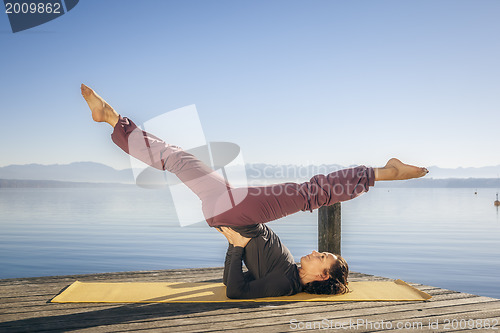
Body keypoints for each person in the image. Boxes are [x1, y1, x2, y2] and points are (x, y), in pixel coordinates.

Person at [81, 84, 429, 299]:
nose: (317, 251)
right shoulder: (287, 272)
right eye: (324, 252)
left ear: (322, 275)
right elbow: (240, 281)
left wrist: (234, 248)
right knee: (176, 158)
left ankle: (382, 173)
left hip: (241, 214)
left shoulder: (285, 284)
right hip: (229, 208)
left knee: (312, 192)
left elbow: (235, 292)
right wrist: (235, 245)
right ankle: (114, 121)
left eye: (323, 257)